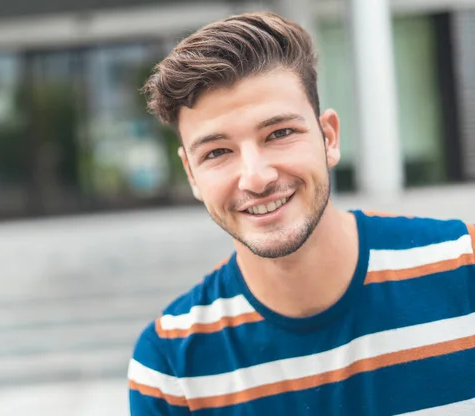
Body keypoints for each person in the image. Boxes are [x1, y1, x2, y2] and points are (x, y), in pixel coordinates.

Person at [128, 10, 475, 415]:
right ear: (191, 173)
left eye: (279, 133)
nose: (255, 178)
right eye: (217, 152)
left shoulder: (464, 269)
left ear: (328, 138)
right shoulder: (170, 369)